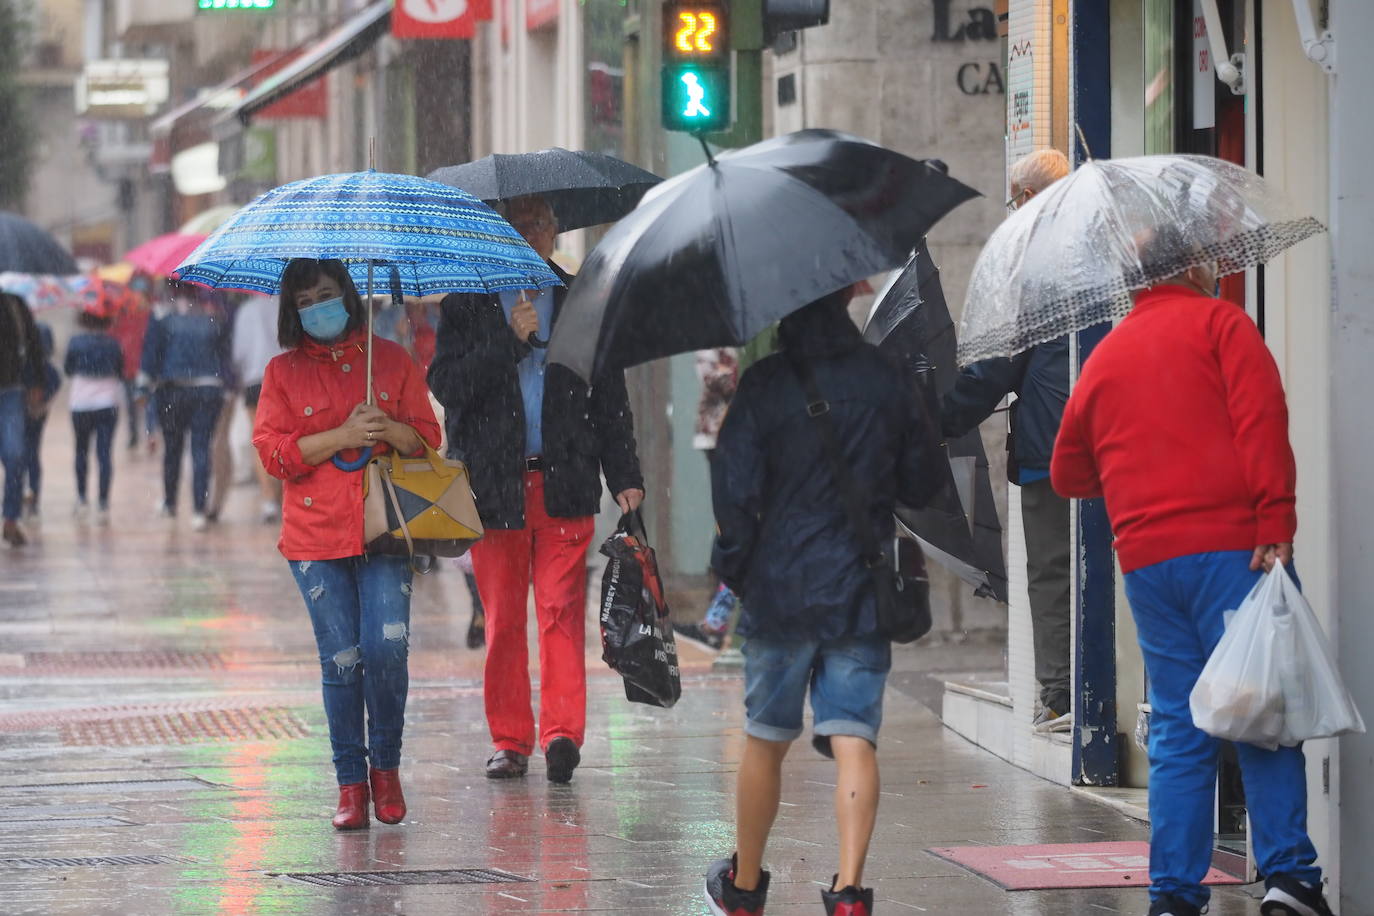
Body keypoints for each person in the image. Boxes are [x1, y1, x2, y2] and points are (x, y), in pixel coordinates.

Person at [1051, 245, 1333, 916]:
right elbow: (1262, 422)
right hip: (1237, 550)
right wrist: (1277, 519)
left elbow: (1066, 473)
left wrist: (1130, 477)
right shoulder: (1222, 325)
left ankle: (1174, 896)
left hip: (1148, 561)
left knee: (1180, 725)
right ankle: (1289, 879)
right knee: (1260, 711)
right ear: (1192, 269)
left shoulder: (1105, 358)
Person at [704, 288, 940, 916]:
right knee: (853, 735)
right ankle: (849, 892)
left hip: (780, 590)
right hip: (859, 588)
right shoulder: (885, 377)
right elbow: (923, 480)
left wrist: (736, 568)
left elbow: (733, 495)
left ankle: (745, 884)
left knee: (765, 736)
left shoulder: (763, 385)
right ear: (848, 295)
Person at [427, 193, 644, 785]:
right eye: (516, 224)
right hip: (492, 488)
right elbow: (447, 385)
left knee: (560, 610)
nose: (528, 233)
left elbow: (609, 397)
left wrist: (624, 476)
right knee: (501, 622)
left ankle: (562, 734)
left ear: (554, 232)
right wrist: (508, 341)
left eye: (538, 224)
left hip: (564, 480)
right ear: (498, 232)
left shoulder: (581, 300)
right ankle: (510, 739)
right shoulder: (467, 304)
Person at [253, 258, 440, 831]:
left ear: (350, 296)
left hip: (386, 532)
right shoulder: (281, 373)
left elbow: (428, 442)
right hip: (314, 538)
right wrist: (339, 436)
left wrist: (390, 429)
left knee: (385, 650)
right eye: (306, 300)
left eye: (327, 295)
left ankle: (386, 767)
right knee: (342, 660)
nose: (318, 307)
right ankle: (350, 784)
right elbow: (273, 453)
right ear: (292, 310)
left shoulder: (391, 360)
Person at [940, 148, 1073, 732]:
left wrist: (939, 418)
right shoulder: (1099, 254)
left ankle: (1064, 693)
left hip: (1054, 444)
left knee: (1051, 569)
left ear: (1027, 198)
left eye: (1013, 196)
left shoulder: (1028, 265)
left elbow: (994, 367)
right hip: (1115, 442)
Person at [139, 281, 232, 530]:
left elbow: (151, 356)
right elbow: (225, 355)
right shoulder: (213, 318)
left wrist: (143, 387)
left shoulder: (161, 317)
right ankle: (198, 511)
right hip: (208, 389)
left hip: (173, 389)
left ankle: (170, 503)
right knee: (201, 448)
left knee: (173, 449)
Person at [674, 347, 741, 651]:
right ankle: (716, 620)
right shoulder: (713, 339)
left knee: (736, 529)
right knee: (733, 529)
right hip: (721, 435)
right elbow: (714, 378)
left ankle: (717, 620)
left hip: (729, 436)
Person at [65, 306, 125, 524]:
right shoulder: (113, 343)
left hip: (80, 403)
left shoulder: (75, 342)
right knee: (104, 453)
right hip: (107, 403)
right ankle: (102, 500)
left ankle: (81, 498)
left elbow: (68, 369)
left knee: (81, 451)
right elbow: (120, 371)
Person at [233, 294, 285, 522]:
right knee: (287, 439)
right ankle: (285, 495)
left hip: (255, 380)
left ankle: (268, 499)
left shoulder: (246, 311)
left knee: (260, 443)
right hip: (285, 379)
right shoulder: (287, 306)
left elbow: (239, 353)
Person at [0, 292, 46, 547]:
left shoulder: (14, 304)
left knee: (15, 455)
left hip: (11, 392)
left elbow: (34, 345)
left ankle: (10, 517)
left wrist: (37, 382)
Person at [20, 322, 59, 520]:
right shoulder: (47, 368)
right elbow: (55, 383)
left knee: (23, 453)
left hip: (26, 413)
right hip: (36, 413)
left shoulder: (25, 363)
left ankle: (26, 493)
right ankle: (31, 497)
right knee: (31, 453)